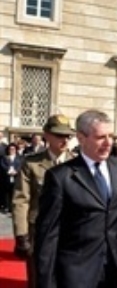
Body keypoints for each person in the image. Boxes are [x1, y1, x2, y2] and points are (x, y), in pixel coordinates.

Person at [34, 109, 117, 288]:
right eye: (100, 137)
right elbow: (48, 236)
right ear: (81, 138)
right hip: (77, 274)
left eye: (111, 136)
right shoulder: (60, 177)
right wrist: (46, 282)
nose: (108, 143)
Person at [11, 114, 75, 288]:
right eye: (59, 135)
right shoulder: (31, 163)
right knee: (39, 279)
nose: (64, 140)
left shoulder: (76, 163)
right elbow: (21, 199)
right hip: (39, 231)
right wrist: (21, 234)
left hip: (70, 232)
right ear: (46, 135)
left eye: (67, 136)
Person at [0, 143, 22, 213]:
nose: (12, 150)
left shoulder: (19, 158)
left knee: (14, 192)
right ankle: (6, 206)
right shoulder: (5, 157)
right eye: (10, 149)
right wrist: (8, 171)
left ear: (16, 150)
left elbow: (21, 166)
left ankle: (12, 207)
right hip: (6, 177)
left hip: (16, 177)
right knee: (6, 193)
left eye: (13, 149)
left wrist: (16, 171)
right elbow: (2, 165)